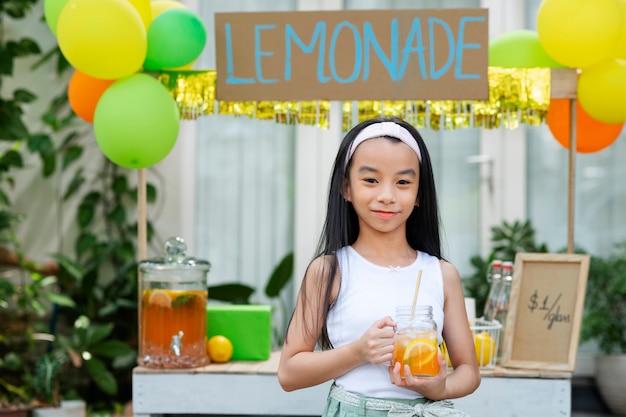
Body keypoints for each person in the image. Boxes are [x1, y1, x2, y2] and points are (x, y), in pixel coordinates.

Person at [278, 117, 480, 417]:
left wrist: (441, 388)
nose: (387, 195)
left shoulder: (442, 274)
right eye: (371, 180)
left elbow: (469, 371)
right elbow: (289, 373)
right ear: (346, 187)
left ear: (419, 193)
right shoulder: (329, 271)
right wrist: (359, 352)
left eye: (403, 182)